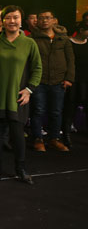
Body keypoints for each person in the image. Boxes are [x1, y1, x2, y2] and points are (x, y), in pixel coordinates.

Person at [0, 6, 41, 185]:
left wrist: (29, 90)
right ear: (2, 21)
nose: (12, 21)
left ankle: (21, 169)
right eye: (8, 17)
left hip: (18, 97)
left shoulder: (29, 43)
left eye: (16, 17)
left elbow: (37, 68)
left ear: (21, 20)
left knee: (18, 136)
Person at [29, 10, 74, 152]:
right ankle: (38, 139)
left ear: (54, 20)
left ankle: (54, 139)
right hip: (39, 81)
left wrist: (69, 78)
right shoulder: (32, 38)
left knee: (56, 111)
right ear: (37, 21)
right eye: (41, 18)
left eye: (48, 18)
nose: (44, 20)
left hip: (59, 81)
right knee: (38, 110)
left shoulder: (63, 38)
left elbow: (70, 59)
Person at [62, 21, 88, 148]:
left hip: (86, 80)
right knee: (69, 107)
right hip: (72, 80)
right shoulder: (69, 43)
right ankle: (66, 134)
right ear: (81, 30)